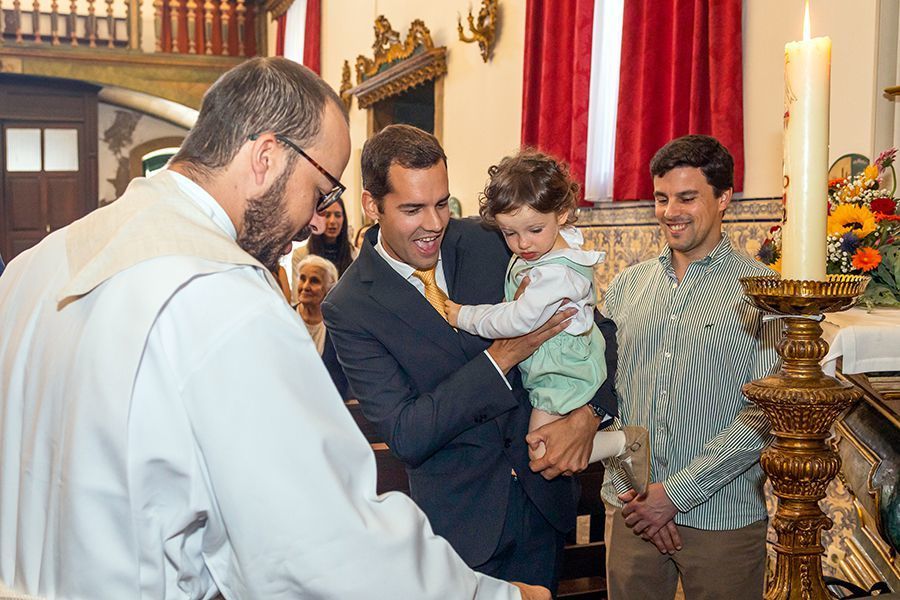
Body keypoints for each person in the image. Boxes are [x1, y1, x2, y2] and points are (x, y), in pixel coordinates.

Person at [0, 58, 547, 600]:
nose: (316, 220)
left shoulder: (36, 267)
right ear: (265, 157)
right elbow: (319, 546)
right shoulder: (220, 293)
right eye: (320, 190)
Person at [323, 124, 619, 593]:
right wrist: (500, 359)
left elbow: (594, 327)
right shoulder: (349, 306)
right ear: (370, 205)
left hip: (543, 504)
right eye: (412, 209)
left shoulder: (492, 239)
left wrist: (589, 414)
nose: (434, 223)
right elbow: (407, 432)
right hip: (461, 530)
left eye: (441, 203)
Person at [600, 135, 779, 600]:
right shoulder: (626, 286)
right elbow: (606, 399)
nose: (670, 211)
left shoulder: (764, 293)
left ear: (724, 199)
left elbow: (767, 414)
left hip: (723, 518)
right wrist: (638, 496)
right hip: (632, 514)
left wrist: (673, 496)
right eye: (661, 198)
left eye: (686, 197)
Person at [444, 150, 647, 490]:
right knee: (547, 451)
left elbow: (516, 319)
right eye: (509, 233)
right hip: (554, 369)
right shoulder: (554, 244)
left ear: (563, 213)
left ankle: (624, 442)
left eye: (534, 229)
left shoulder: (557, 274)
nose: (523, 244)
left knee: (540, 447)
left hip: (561, 374)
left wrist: (462, 314)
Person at [291, 197, 356, 299]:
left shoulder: (355, 254)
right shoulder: (300, 255)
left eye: (338, 215)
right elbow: (297, 297)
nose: (332, 221)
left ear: (344, 219)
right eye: (327, 215)